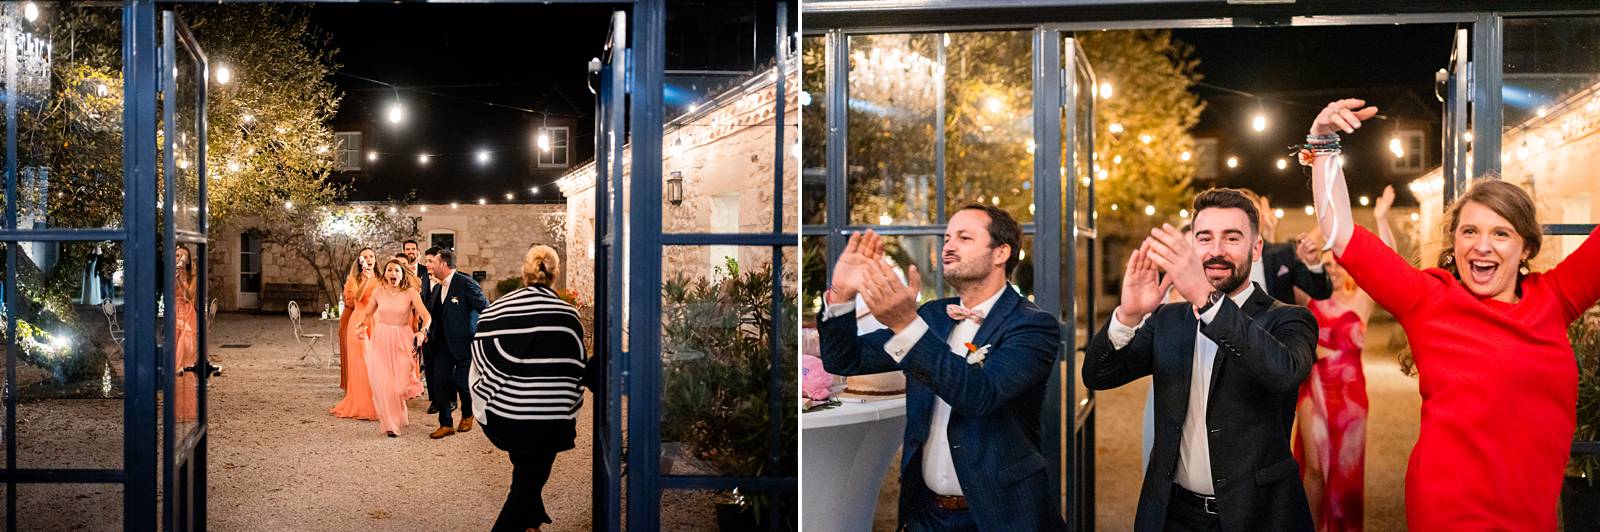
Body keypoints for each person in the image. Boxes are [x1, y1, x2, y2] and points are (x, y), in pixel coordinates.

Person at [1309, 98, 1600, 530]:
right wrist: (1323, 143)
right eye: (1470, 231)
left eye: (1501, 233)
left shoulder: (1555, 298)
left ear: (1525, 249)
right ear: (1455, 243)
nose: (1482, 246)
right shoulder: (1428, 299)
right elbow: (1341, 233)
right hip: (1445, 511)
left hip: (1530, 515)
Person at [817, 204, 1065, 531]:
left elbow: (980, 396)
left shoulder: (1033, 325)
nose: (948, 246)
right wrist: (842, 296)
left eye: (964, 237)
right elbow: (846, 359)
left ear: (1000, 253)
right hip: (927, 514)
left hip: (999, 514)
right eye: (947, 237)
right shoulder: (933, 316)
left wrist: (905, 323)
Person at [1082, 188, 1316, 531]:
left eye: (1232, 238)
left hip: (1258, 514)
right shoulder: (1168, 320)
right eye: (1204, 238)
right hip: (1173, 513)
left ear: (1256, 248)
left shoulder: (1288, 319)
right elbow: (1098, 375)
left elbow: (1283, 373)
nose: (1216, 251)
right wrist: (1128, 315)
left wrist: (1208, 301)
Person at [1293, 185, 1395, 531]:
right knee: (1315, 468)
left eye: (1337, 263)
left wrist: (1381, 218)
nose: (1333, 268)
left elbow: (1389, 263)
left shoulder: (1361, 303)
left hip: (1351, 396)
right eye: (1327, 263)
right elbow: (1302, 252)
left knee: (1347, 469)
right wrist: (1327, 213)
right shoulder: (1310, 297)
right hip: (1314, 388)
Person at [471, 245, 592, 532]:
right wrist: (568, 407)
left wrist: (487, 402)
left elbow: (480, 363)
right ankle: (521, 521)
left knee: (526, 471)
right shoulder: (568, 315)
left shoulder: (497, 309)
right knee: (529, 480)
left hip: (503, 418)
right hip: (550, 420)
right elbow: (575, 369)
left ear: (523, 271)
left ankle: (532, 521)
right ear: (555, 274)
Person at [351, 258, 431, 437]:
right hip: (381, 338)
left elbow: (427, 316)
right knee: (383, 383)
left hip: (403, 339)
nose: (392, 273)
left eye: (396, 270)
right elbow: (367, 313)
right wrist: (360, 325)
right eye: (389, 270)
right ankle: (390, 425)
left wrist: (422, 332)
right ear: (385, 274)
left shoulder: (410, 292)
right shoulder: (378, 292)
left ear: (402, 273)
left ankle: (400, 412)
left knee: (399, 386)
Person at [425, 249, 489, 439]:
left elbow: (485, 308)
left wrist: (481, 336)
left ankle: (468, 414)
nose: (430, 265)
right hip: (442, 345)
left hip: (465, 344)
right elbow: (433, 316)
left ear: (444, 264)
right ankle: (446, 424)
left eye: (433, 262)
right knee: (439, 384)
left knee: (462, 383)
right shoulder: (437, 288)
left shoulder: (465, 283)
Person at [1239, 189, 1334, 304]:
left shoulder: (1284, 253)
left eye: (1251, 211)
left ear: (1263, 218)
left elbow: (1321, 292)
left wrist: (1313, 263)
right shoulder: (1217, 258)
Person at [331, 249, 380, 421]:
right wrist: (366, 280)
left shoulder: (382, 278)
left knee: (376, 362)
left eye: (371, 256)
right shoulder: (354, 279)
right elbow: (358, 298)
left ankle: (379, 402)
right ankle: (361, 403)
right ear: (360, 261)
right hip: (358, 322)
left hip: (377, 322)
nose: (368, 259)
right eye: (365, 257)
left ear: (375, 259)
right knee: (361, 363)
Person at [173, 244, 199, 422]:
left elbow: (189, 297)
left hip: (187, 317)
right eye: (177, 255)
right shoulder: (169, 273)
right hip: (174, 316)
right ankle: (174, 409)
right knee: (172, 361)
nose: (179, 259)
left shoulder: (193, 276)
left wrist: (180, 280)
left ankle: (187, 410)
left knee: (182, 361)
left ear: (188, 260)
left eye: (183, 256)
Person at [421, 246, 444, 415]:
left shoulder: (448, 280)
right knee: (429, 366)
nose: (428, 264)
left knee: (444, 367)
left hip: (443, 330)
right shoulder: (423, 278)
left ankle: (449, 399)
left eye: (431, 261)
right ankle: (434, 400)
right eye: (426, 261)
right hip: (427, 330)